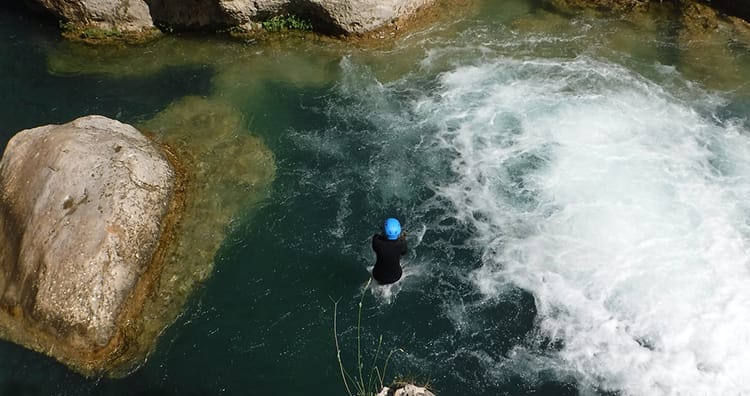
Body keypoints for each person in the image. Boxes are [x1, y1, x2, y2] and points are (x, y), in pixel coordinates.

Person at [371, 217, 408, 285]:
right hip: (396, 277)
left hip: (377, 275)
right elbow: (404, 252)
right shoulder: (402, 244)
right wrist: (403, 239)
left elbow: (377, 238)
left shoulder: (377, 241)